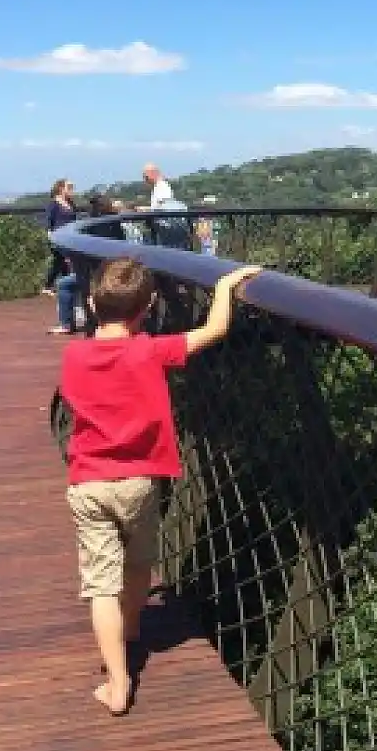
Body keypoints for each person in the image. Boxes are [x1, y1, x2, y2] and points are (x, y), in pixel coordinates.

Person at [58, 258, 261, 715]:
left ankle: (117, 681)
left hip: (90, 482)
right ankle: (132, 627)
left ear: (91, 304)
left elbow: (76, 397)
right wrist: (226, 286)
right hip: (140, 481)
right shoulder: (151, 351)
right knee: (137, 563)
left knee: (100, 584)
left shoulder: (74, 356)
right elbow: (212, 332)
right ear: (148, 307)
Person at [42, 179, 78, 296]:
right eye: (69, 187)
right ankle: (52, 286)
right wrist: (50, 235)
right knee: (63, 260)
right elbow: (49, 220)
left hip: (70, 237)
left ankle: (59, 287)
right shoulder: (54, 204)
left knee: (61, 263)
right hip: (58, 237)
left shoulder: (71, 203)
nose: (72, 190)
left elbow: (74, 220)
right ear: (61, 189)